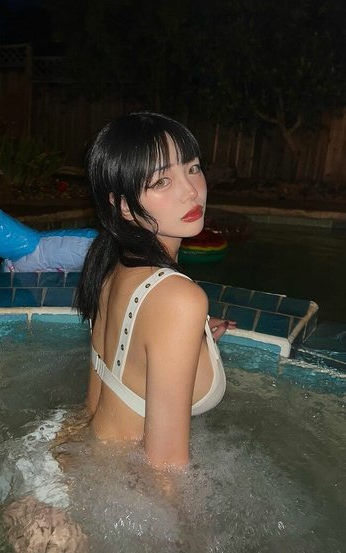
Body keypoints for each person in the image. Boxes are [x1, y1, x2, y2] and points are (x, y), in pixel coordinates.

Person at [76, 111, 236, 471]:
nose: (191, 190)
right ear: (122, 205)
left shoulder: (109, 268)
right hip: (105, 495)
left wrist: (191, 338)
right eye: (162, 181)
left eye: (193, 168)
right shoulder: (178, 299)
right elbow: (165, 468)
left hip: (69, 467)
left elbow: (94, 406)